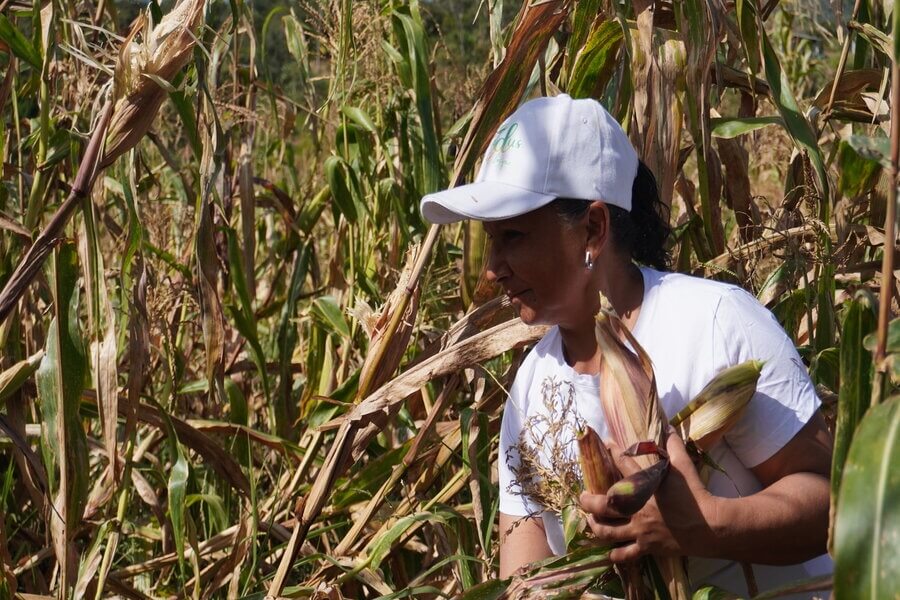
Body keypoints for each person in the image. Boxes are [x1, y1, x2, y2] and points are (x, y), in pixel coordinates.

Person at [419, 94, 833, 598]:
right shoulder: (531, 386)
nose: (492, 267)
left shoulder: (715, 323)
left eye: (515, 237)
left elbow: (831, 503)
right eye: (491, 239)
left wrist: (709, 525)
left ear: (593, 228)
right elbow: (524, 577)